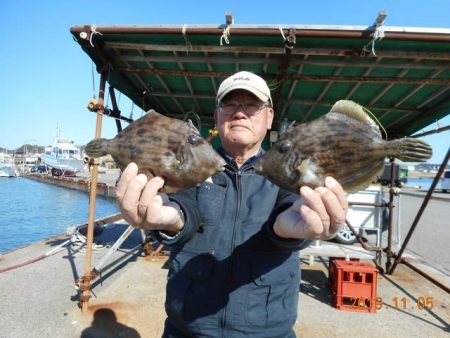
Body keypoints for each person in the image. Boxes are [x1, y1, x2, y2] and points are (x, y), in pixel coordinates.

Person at [116, 71, 348, 338]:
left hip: (268, 331)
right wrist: (168, 220)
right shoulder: (197, 163)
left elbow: (289, 209)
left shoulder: (285, 166)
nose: (240, 113)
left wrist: (295, 227)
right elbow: (182, 208)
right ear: (217, 116)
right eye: (230, 104)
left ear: (269, 116)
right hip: (188, 328)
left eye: (251, 105)